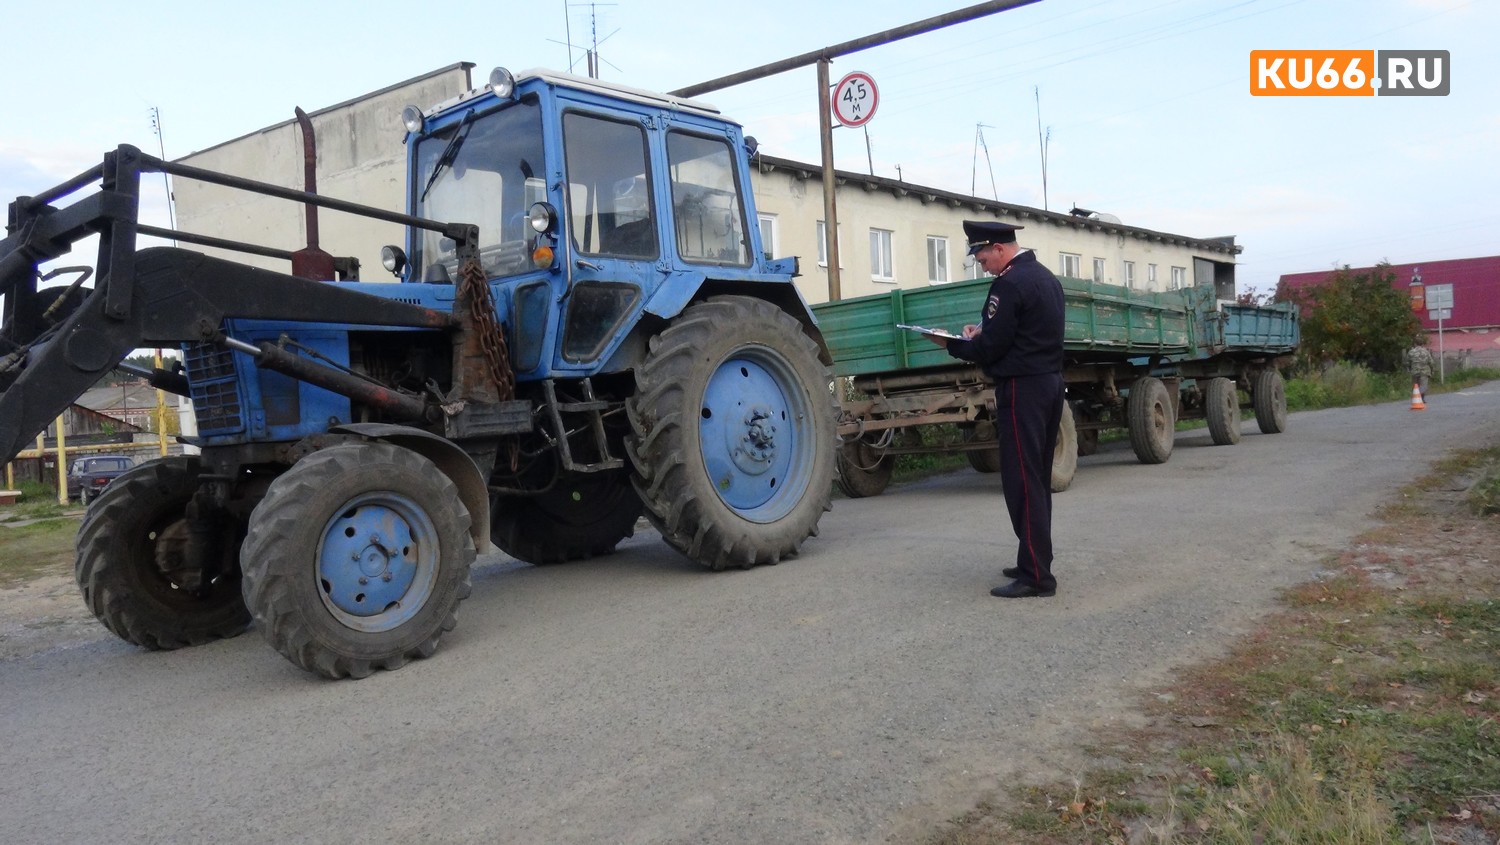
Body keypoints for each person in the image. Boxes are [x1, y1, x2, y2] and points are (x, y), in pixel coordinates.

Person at [925, 220, 1066, 598]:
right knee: (1035, 478)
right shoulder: (1045, 278)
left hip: (1022, 388)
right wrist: (982, 331)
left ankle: (1036, 575)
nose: (982, 264)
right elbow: (1018, 334)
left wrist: (949, 344)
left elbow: (991, 350)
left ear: (999, 248)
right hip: (1049, 383)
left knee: (1022, 481)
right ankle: (1033, 559)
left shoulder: (1009, 284)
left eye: (982, 255)